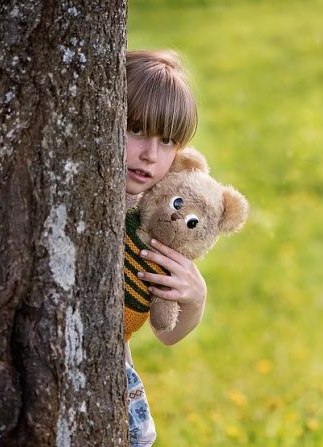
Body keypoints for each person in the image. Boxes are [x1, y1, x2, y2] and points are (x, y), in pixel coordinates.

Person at [124, 49, 206, 446]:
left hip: (116, 389)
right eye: (135, 129)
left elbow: (167, 336)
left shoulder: (156, 220)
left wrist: (194, 299)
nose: (149, 154)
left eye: (167, 140)